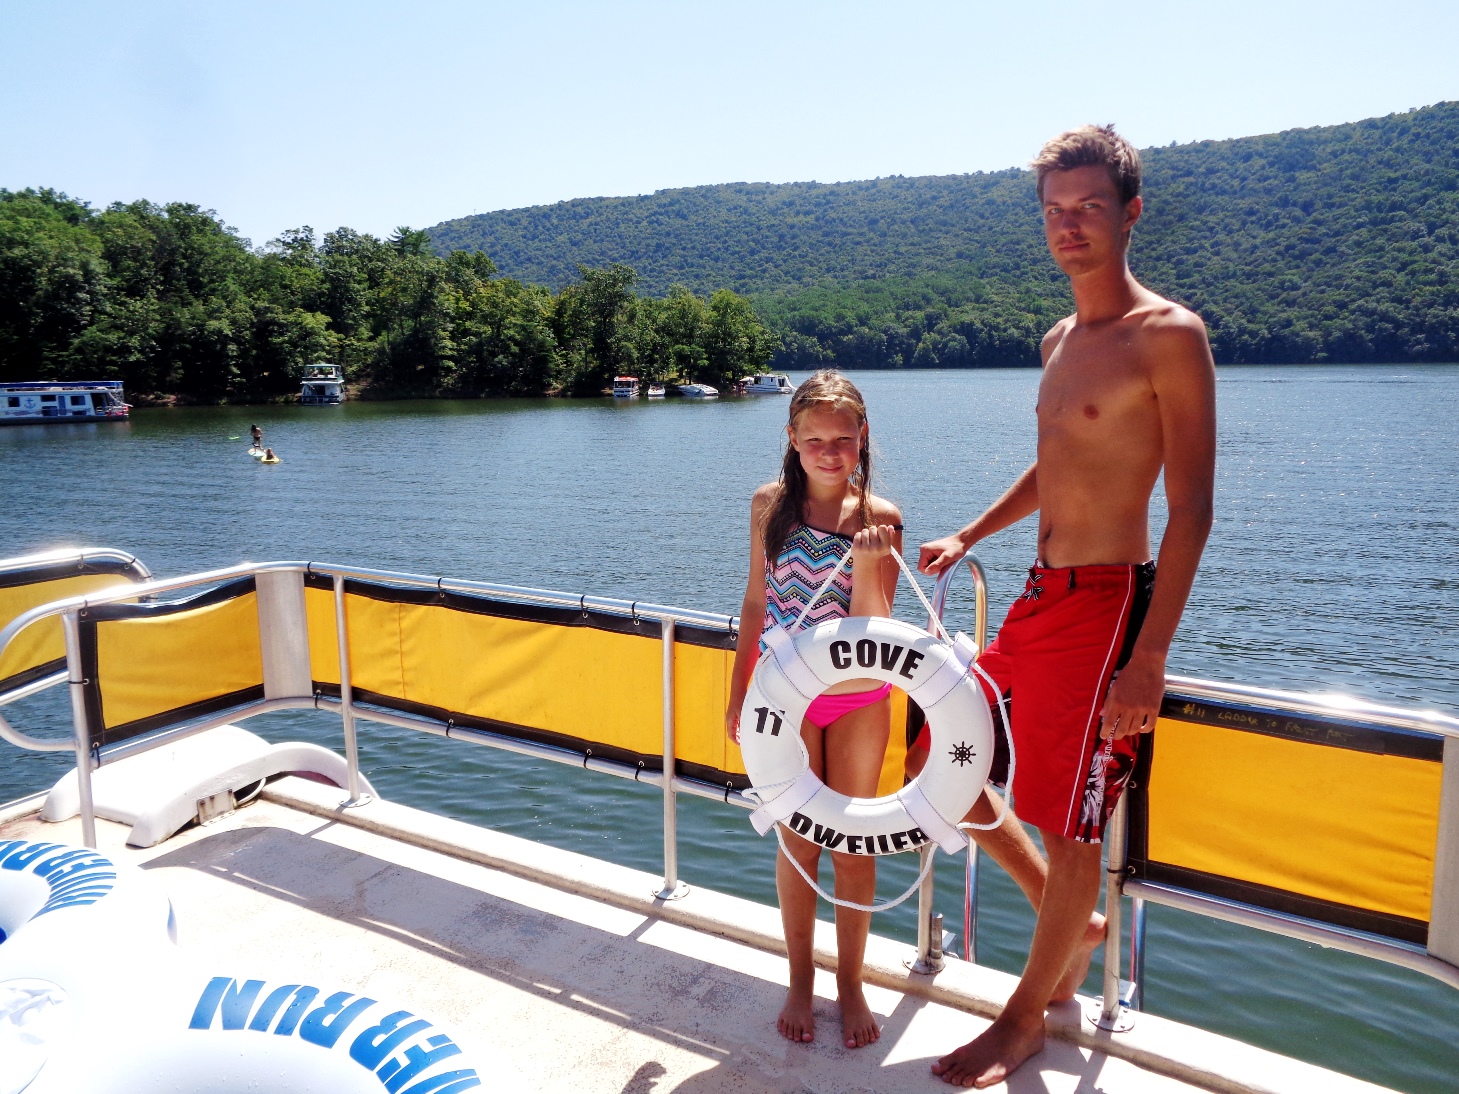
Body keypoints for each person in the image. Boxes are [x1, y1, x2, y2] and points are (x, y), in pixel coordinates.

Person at [919, 124, 1216, 1088]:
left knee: (1071, 821)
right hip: (1039, 597)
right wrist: (971, 534)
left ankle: (1023, 1022)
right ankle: (1071, 921)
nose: (1069, 225)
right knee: (934, 750)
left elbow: (1191, 509)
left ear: (1130, 214)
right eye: (1054, 210)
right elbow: (1057, 464)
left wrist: (1149, 656)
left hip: (1107, 608)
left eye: (1089, 206)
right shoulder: (1058, 340)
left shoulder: (1168, 335)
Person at [726, 370, 902, 1051]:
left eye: (843, 440)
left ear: (863, 438)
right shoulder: (767, 504)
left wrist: (868, 564)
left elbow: (873, 629)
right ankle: (799, 978)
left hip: (857, 699)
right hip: (784, 697)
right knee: (798, 842)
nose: (830, 453)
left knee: (851, 845)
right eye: (815, 440)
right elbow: (754, 603)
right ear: (792, 440)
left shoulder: (879, 519)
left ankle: (850, 983)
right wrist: (738, 694)